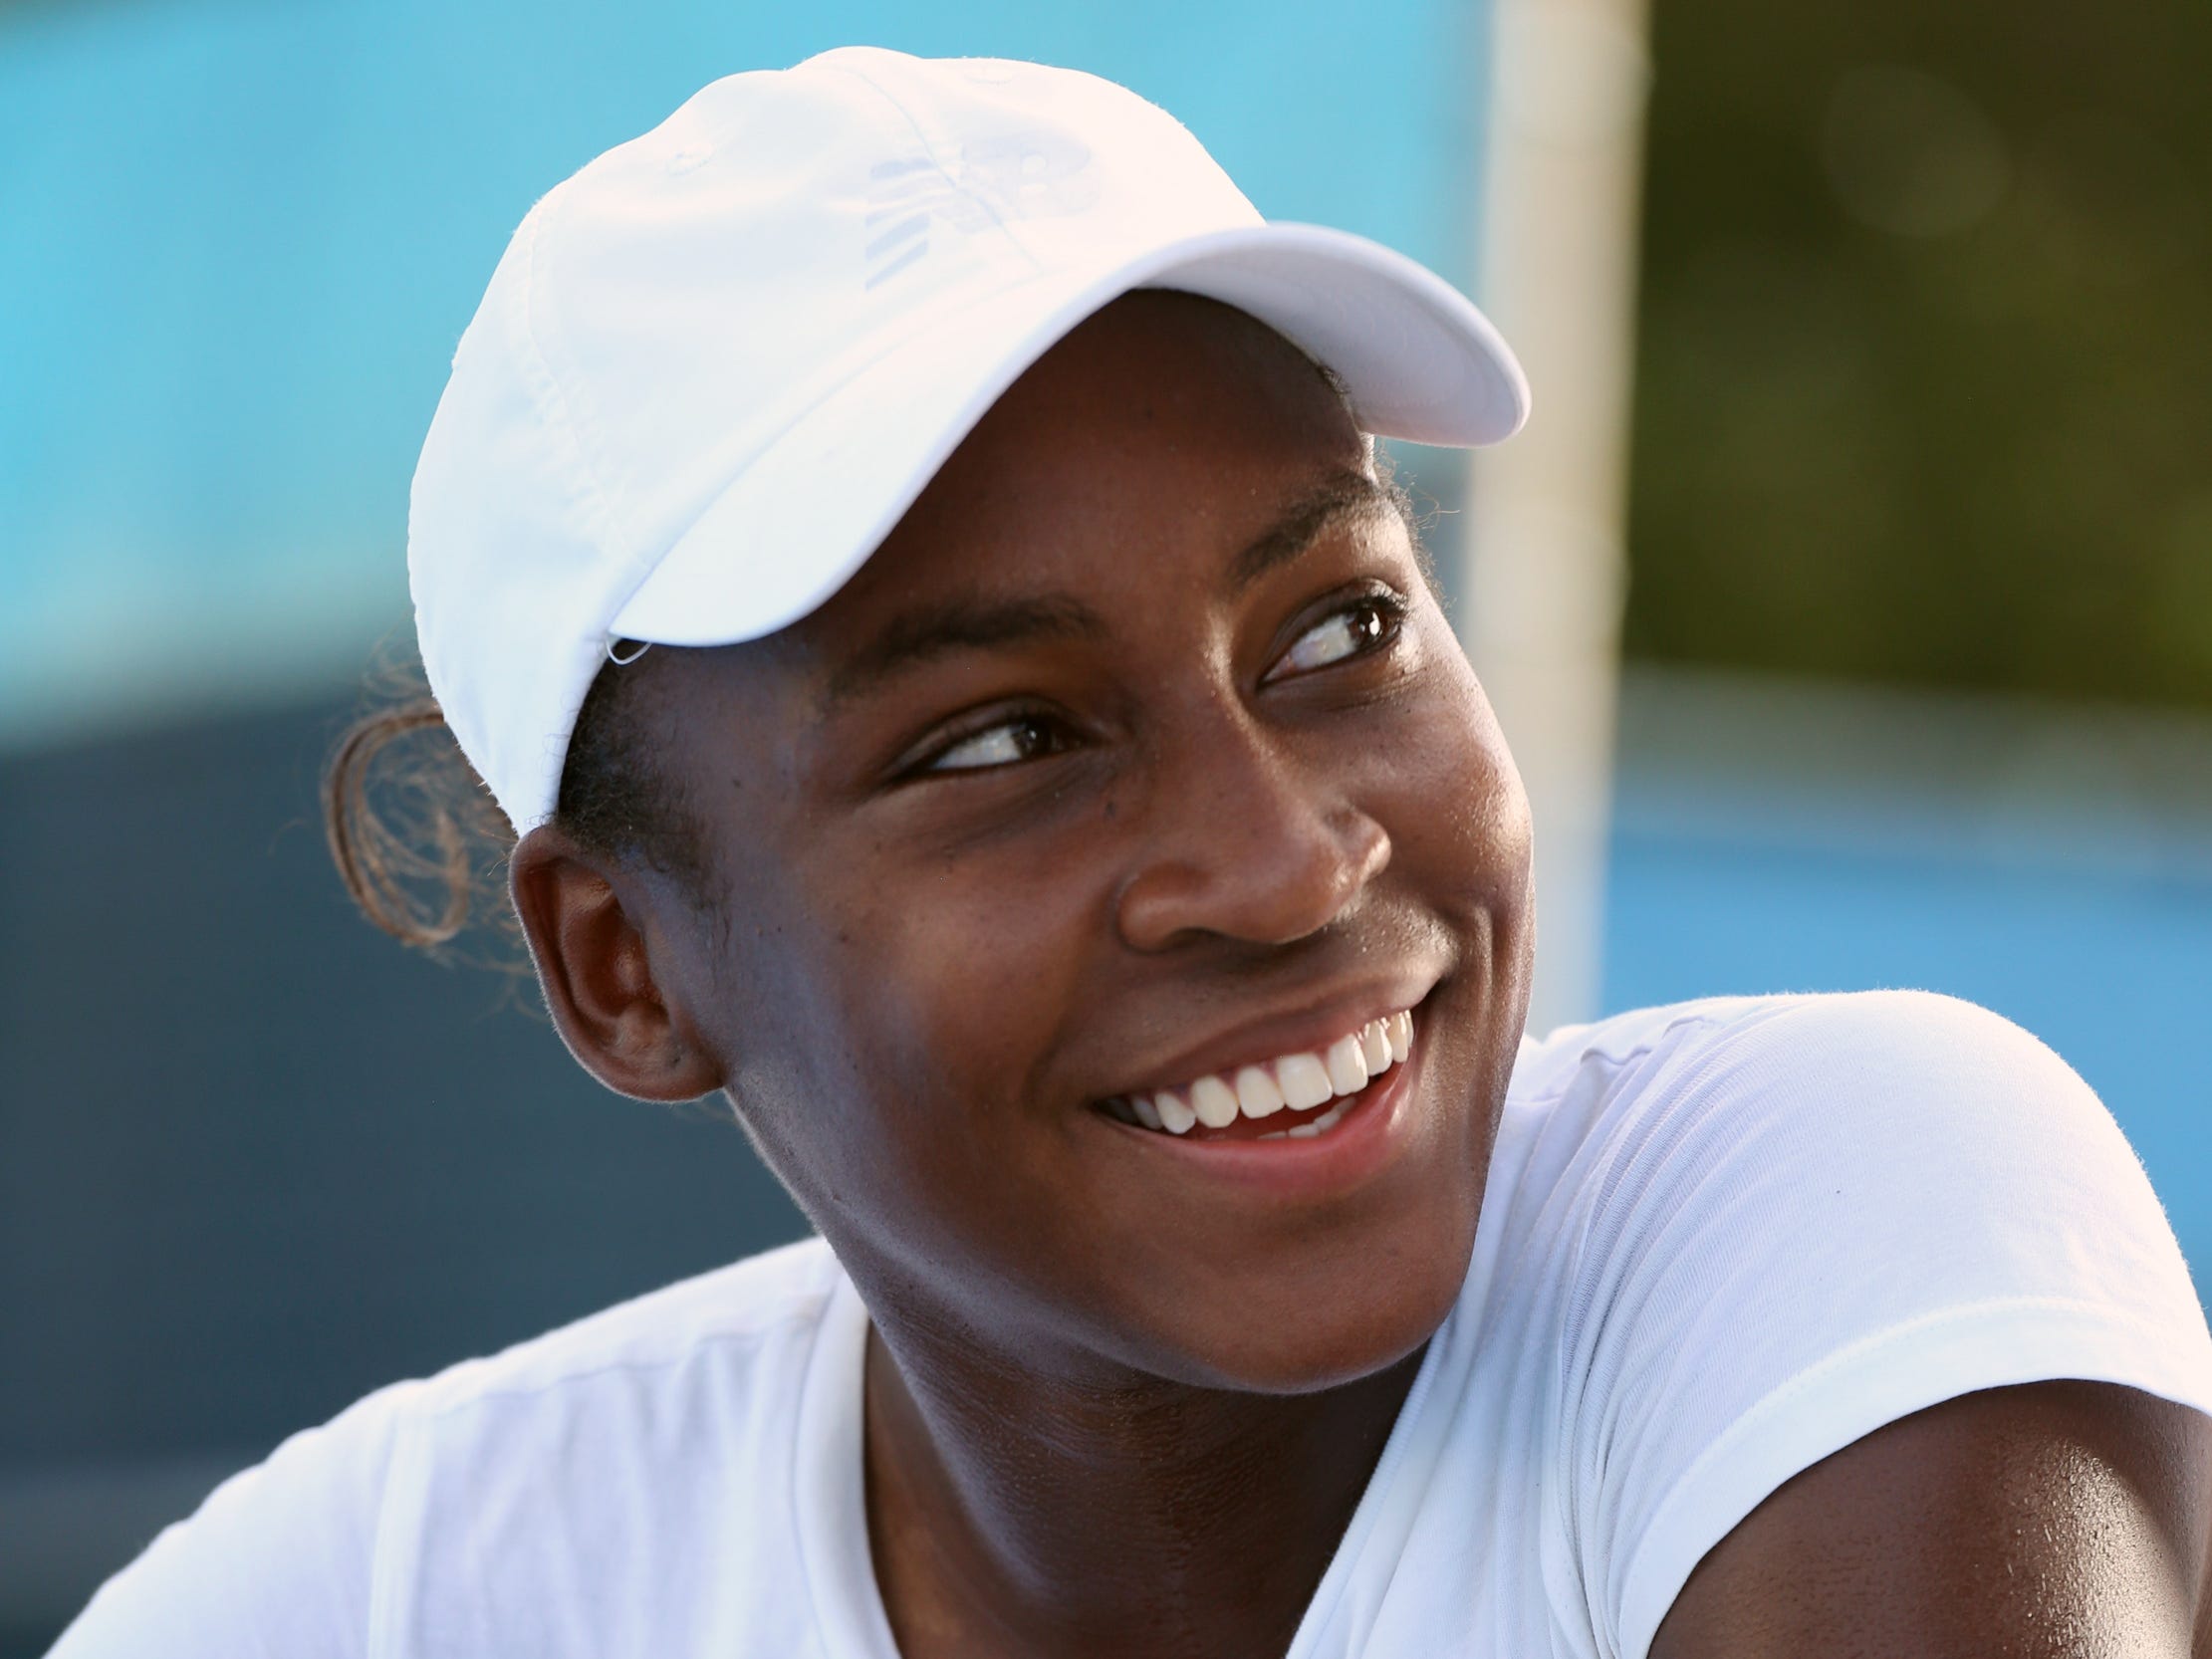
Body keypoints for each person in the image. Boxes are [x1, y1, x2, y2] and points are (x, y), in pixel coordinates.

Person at [51, 46, 2212, 1659]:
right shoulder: (401, 1588)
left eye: (1340, 626)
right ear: (624, 962)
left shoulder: (1829, 1198)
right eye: (1000, 739)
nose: (1279, 861)